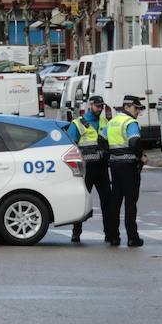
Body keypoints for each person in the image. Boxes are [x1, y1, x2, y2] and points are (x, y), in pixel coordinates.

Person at [66, 95, 112, 243]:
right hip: (86, 170)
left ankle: (109, 233)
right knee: (82, 200)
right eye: (98, 106)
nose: (100, 109)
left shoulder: (105, 122)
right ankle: (76, 232)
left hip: (102, 168)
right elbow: (71, 146)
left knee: (107, 201)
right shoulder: (78, 123)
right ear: (90, 105)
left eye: (102, 107)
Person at [102, 95, 145, 247]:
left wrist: (112, 154)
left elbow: (101, 140)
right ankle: (132, 237)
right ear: (127, 107)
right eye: (136, 108)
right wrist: (140, 157)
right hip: (129, 166)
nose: (137, 112)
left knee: (115, 201)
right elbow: (134, 142)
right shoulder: (130, 122)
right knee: (130, 203)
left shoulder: (112, 122)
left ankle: (114, 236)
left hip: (115, 165)